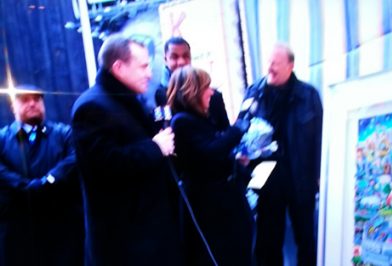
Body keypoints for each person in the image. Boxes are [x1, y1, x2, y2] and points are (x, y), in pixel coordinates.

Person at [71, 34, 181, 266]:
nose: (149, 73)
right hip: (126, 242)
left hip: (150, 233)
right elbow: (105, 166)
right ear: (119, 67)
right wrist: (154, 147)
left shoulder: (129, 100)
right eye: (142, 67)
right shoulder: (92, 106)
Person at [239, 43, 323, 265]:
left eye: (275, 63)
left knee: (306, 239)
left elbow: (320, 139)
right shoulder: (254, 92)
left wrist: (320, 175)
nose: (270, 68)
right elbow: (241, 129)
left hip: (300, 179)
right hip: (266, 181)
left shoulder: (309, 94)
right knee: (267, 242)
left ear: (290, 65)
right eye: (268, 62)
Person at [167, 66, 254, 266]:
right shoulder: (182, 122)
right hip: (212, 209)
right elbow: (210, 151)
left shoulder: (200, 120)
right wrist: (238, 128)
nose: (211, 92)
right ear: (193, 91)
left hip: (225, 201)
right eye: (207, 87)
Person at [0, 85, 84, 266]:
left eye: (37, 99)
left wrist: (49, 180)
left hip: (62, 230)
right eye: (24, 100)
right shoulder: (2, 139)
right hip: (18, 232)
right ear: (13, 106)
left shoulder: (64, 134)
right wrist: (24, 186)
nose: (32, 104)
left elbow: (75, 157)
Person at [155, 36, 230, 131]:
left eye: (186, 56)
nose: (181, 62)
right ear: (165, 60)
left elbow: (225, 129)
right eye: (174, 57)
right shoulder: (161, 94)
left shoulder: (214, 96)